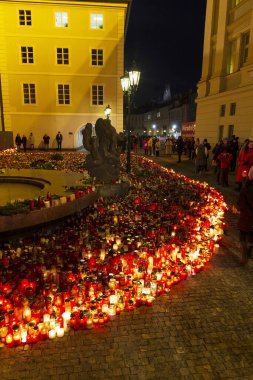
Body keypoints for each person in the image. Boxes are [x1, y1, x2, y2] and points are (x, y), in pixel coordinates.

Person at [237, 167, 253, 265]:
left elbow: (241, 204)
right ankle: (249, 252)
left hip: (247, 216)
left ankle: (244, 256)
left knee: (242, 236)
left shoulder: (246, 188)